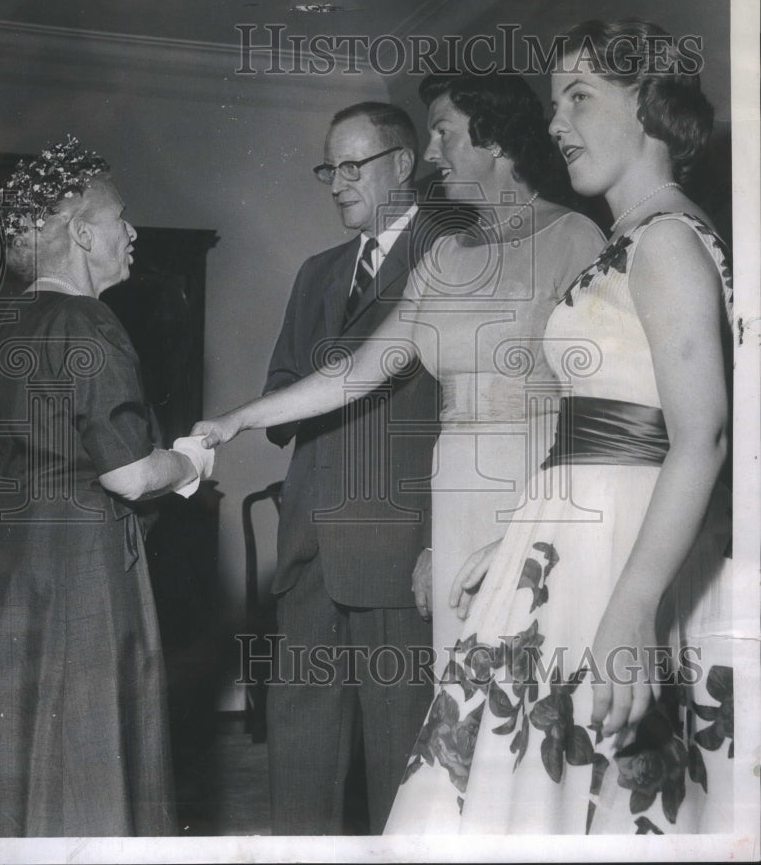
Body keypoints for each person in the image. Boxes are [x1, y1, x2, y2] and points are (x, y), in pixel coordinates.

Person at [193, 79, 604, 819]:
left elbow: (602, 401)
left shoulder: (577, 238)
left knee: (525, 723)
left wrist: (535, 518)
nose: (431, 154)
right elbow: (353, 372)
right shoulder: (444, 257)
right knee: (451, 732)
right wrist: (234, 421)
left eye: (444, 134)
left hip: (535, 498)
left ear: (498, 142)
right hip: (456, 504)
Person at [380, 19, 734, 834]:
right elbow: (603, 425)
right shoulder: (633, 237)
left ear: (650, 105)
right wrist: (515, 539)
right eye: (553, 103)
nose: (554, 123)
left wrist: (632, 610)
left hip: (622, 561)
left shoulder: (668, 242)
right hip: (574, 544)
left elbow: (700, 437)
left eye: (580, 97)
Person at [0, 136, 214, 837]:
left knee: (25, 739)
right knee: (91, 747)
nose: (133, 231)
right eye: (121, 218)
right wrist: (189, 462)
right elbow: (129, 473)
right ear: (84, 234)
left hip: (14, 558)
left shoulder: (0, 326)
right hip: (84, 560)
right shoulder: (89, 322)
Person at [251, 102, 457, 835]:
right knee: (300, 754)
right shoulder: (316, 274)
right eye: (327, 169)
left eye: (352, 166)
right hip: (309, 538)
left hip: (399, 544)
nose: (336, 183)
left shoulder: (457, 253)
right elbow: (280, 385)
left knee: (402, 755)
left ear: (403, 163)